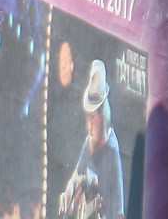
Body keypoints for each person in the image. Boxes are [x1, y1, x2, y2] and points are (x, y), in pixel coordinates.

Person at [56, 60, 123, 219]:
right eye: (88, 117)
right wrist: (68, 191)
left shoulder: (113, 150)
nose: (90, 123)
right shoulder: (88, 143)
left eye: (93, 116)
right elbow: (77, 173)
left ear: (102, 116)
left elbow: (118, 204)